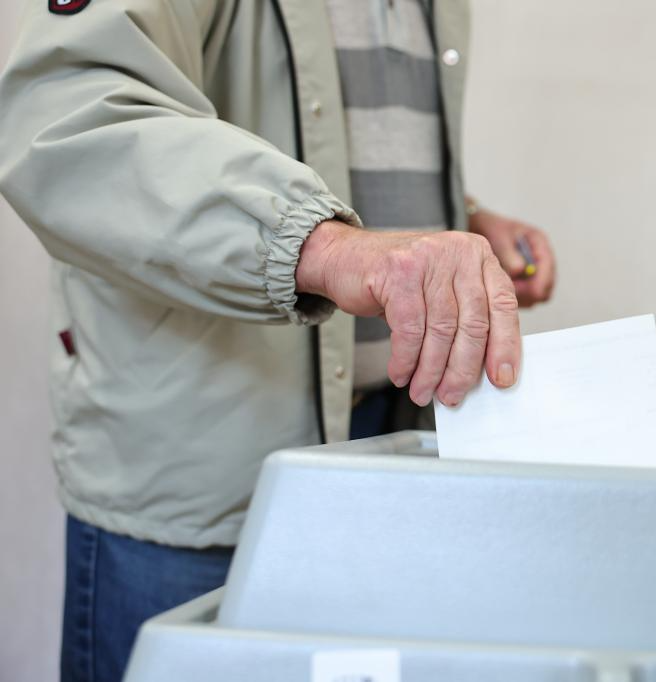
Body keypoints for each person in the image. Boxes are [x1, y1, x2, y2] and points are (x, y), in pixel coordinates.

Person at [0, 1, 556, 680]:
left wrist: (458, 214)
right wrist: (327, 247)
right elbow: (66, 116)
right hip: (205, 471)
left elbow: (341, 136)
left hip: (395, 450)